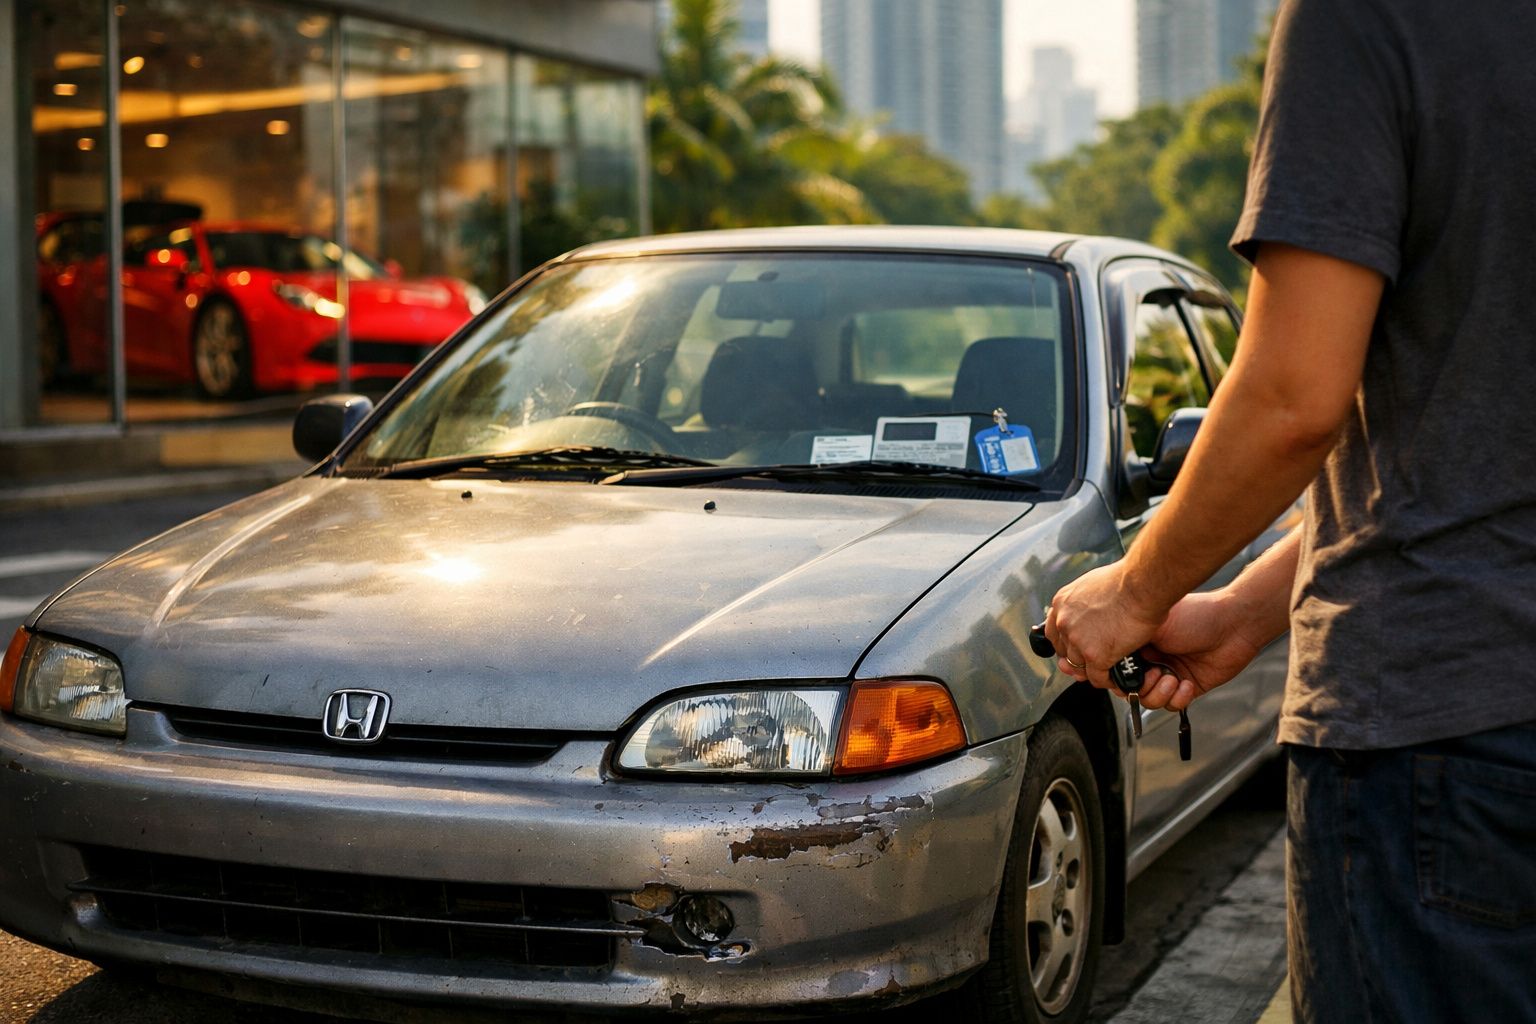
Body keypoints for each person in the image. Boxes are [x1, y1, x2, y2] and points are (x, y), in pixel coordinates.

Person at [1042, 1, 1536, 1020]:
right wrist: (1243, 608)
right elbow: (1475, 447)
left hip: (1441, 737)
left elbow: (1292, 399)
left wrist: (1134, 593)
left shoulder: (1361, 19)